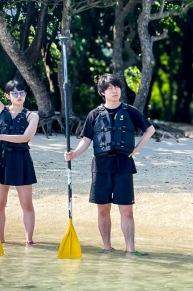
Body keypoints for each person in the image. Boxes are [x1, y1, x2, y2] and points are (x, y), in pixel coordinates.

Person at [64, 74, 156, 255]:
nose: (115, 90)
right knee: (103, 209)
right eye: (110, 88)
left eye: (117, 87)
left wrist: (136, 148)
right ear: (102, 92)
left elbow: (150, 129)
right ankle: (107, 247)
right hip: (101, 166)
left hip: (124, 165)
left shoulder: (130, 111)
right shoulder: (94, 115)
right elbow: (86, 140)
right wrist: (74, 153)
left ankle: (130, 250)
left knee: (127, 210)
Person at [0, 44, 40, 245]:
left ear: (25, 95)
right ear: (8, 96)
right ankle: (0, 240)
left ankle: (29, 240)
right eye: (14, 93)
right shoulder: (1, 110)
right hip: (2, 159)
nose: (18, 95)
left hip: (21, 159)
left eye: (21, 93)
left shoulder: (32, 115)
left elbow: (25, 137)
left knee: (26, 203)